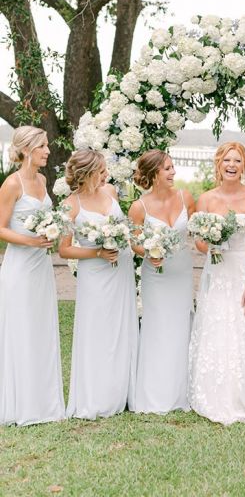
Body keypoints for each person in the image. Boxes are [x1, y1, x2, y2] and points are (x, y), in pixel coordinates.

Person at [188, 142, 245, 425]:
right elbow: (199, 243)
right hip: (217, 272)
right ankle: (211, 394)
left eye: (238, 161)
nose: (232, 165)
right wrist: (211, 244)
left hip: (242, 272)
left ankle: (240, 395)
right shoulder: (207, 200)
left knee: (241, 329)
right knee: (215, 326)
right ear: (218, 163)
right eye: (227, 160)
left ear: (244, 166)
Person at [59, 150, 138, 419]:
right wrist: (97, 252)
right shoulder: (71, 205)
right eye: (101, 170)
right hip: (95, 274)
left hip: (121, 268)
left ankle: (121, 391)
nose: (106, 174)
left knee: (120, 327)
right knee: (97, 330)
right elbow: (64, 250)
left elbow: (123, 227)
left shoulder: (111, 192)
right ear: (87, 173)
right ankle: (97, 394)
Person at [0, 126, 65, 426]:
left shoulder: (42, 179)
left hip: (42, 267)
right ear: (27, 149)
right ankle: (21, 402)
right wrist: (32, 241)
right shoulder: (11, 184)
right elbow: (0, 228)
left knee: (41, 327)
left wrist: (51, 231)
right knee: (22, 329)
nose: (48, 151)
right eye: (43, 146)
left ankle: (43, 399)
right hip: (20, 268)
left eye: (47, 145)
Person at [129, 150, 195, 414]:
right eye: (167, 168)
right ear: (154, 173)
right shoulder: (139, 207)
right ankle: (155, 393)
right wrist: (148, 253)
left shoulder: (186, 197)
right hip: (155, 275)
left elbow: (199, 229)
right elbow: (134, 242)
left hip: (181, 270)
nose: (173, 173)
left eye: (173, 167)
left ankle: (183, 391)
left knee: (181, 324)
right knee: (158, 327)